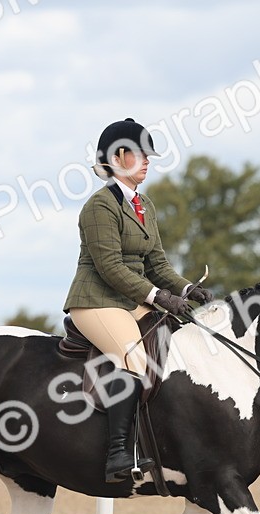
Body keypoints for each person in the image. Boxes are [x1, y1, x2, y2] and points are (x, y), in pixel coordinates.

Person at [64, 118, 213, 482]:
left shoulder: (144, 203)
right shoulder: (99, 206)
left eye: (149, 155)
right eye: (141, 154)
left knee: (178, 345)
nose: (148, 161)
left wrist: (185, 289)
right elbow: (111, 267)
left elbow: (156, 262)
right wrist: (158, 296)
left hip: (132, 299)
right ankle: (118, 453)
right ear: (118, 157)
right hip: (97, 300)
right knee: (134, 358)